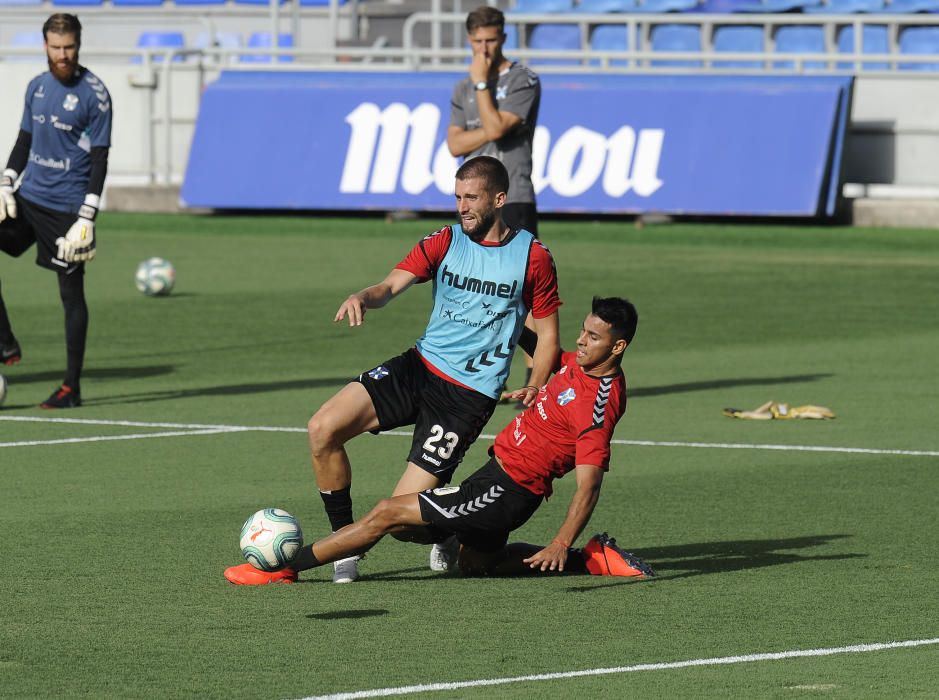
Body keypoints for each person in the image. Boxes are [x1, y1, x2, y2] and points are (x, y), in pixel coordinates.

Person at [225, 297, 656, 586]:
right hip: (497, 478)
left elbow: (589, 483)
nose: (581, 341)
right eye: (583, 331)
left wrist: (560, 540)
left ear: (618, 346)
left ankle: (284, 568)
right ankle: (592, 558)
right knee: (475, 564)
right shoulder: (577, 367)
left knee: (389, 513)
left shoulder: (598, 404)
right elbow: (542, 350)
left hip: (504, 492)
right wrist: (504, 311)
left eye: (593, 338)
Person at [308, 155, 561, 583]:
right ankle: (343, 547)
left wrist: (535, 384)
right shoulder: (444, 241)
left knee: (405, 523)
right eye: (457, 196)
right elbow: (389, 286)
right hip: (419, 366)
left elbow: (549, 336)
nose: (462, 206)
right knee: (322, 428)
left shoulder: (531, 257)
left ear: (499, 199)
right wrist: (363, 297)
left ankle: (449, 529)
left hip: (466, 397)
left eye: (472, 197)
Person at [0, 13, 111, 408]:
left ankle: (71, 387)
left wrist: (87, 217)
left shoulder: (94, 95)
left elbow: (99, 159)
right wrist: (7, 179)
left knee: (71, 294)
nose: (63, 55)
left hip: (67, 210)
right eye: (56, 48)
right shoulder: (36, 88)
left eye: (69, 48)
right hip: (29, 199)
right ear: (45, 46)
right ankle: (4, 340)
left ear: (78, 45)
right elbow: (24, 139)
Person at [448, 5, 543, 400]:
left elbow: (495, 128)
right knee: (476, 287)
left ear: (503, 37)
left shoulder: (523, 79)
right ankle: (482, 368)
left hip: (514, 195)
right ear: (469, 40)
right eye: (477, 42)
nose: (484, 49)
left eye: (490, 40)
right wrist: (486, 127)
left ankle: (539, 373)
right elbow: (455, 144)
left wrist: (484, 87)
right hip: (474, 201)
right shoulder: (461, 87)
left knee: (525, 292)